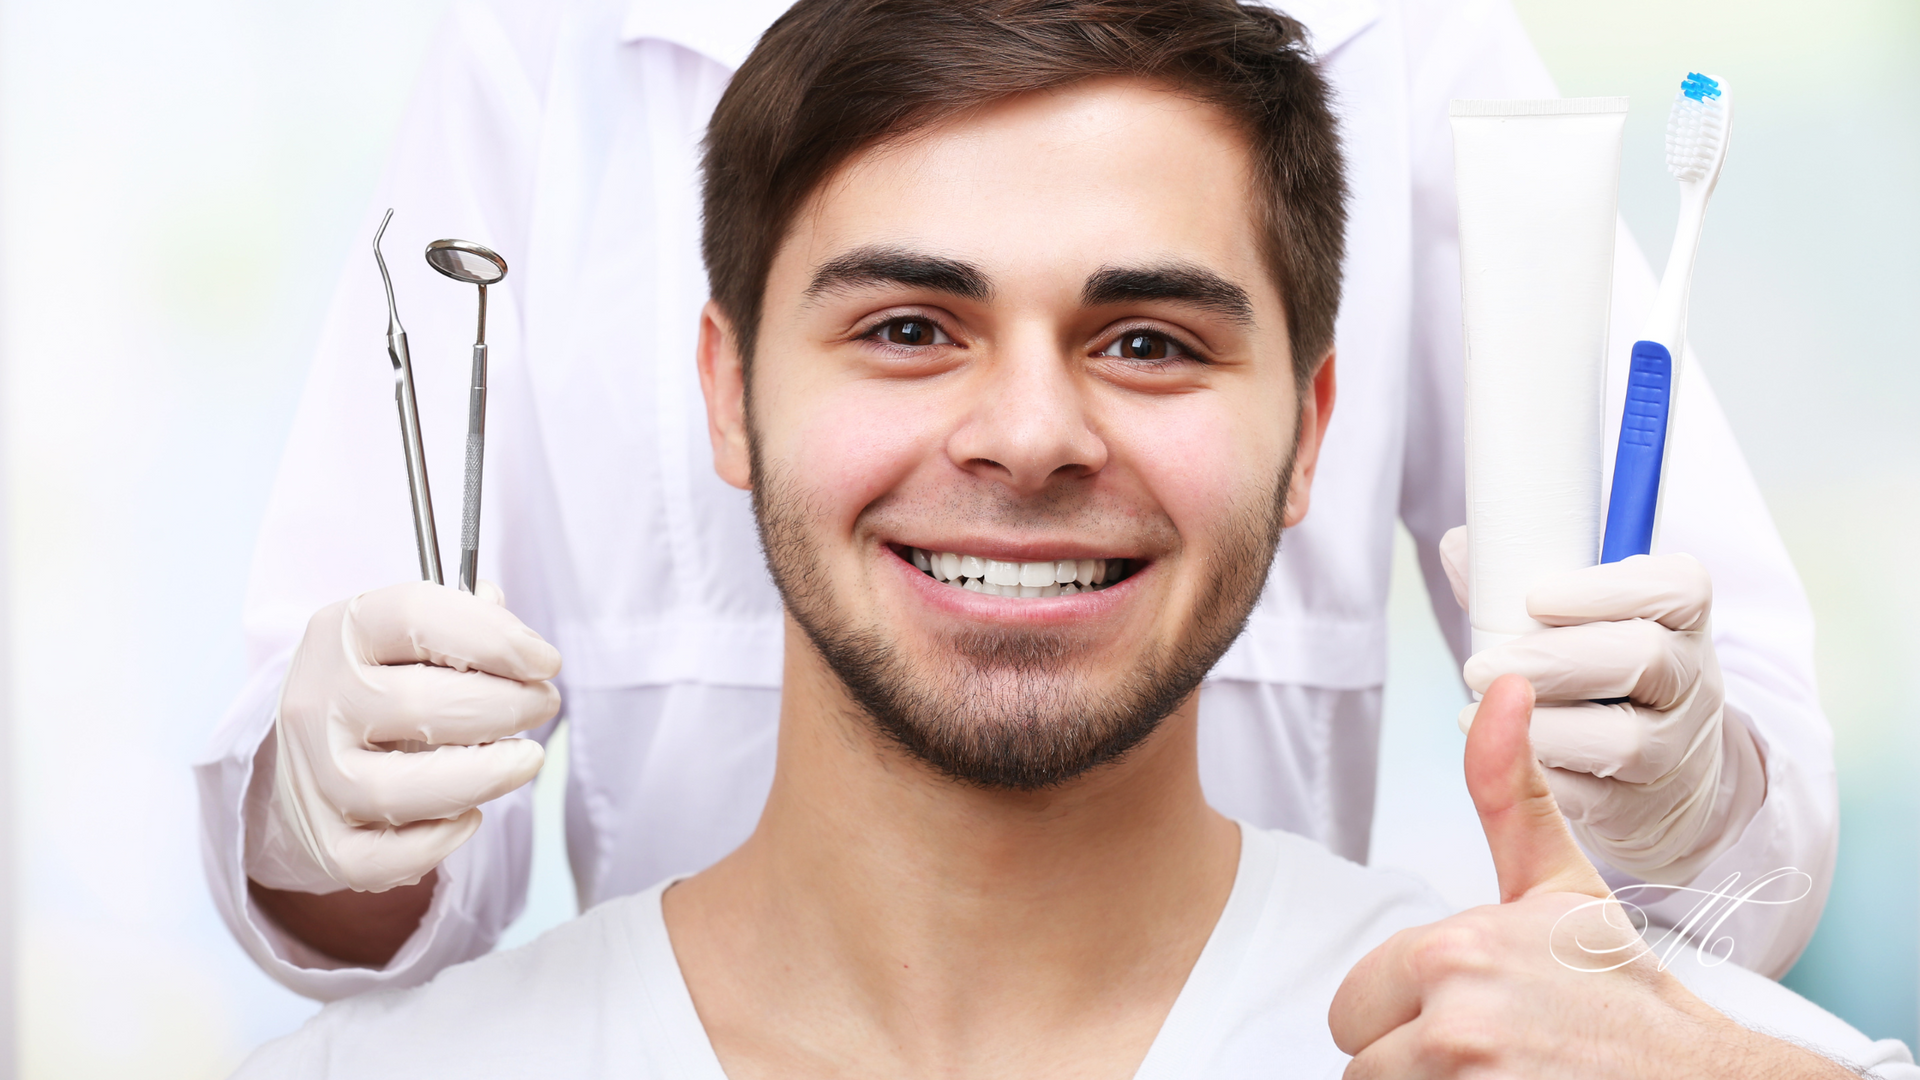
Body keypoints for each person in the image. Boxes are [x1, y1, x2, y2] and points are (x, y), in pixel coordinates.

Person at [231, 5, 1909, 1074]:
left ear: (1311, 423)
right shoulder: (548, 45)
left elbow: (1718, 846)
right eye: (903, 328)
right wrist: (319, 808)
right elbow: (365, 866)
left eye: (1151, 340)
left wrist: (1692, 861)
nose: (1027, 438)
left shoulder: (1407, 42)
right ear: (723, 390)